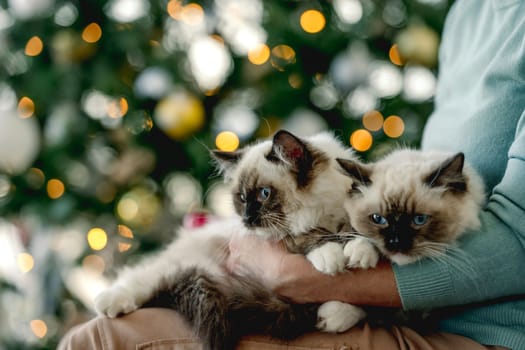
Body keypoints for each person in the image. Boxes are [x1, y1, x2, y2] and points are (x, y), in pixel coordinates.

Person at [59, 0, 525, 349]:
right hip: (410, 309)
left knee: (101, 339)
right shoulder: (468, 11)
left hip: (483, 331)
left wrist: (308, 279)